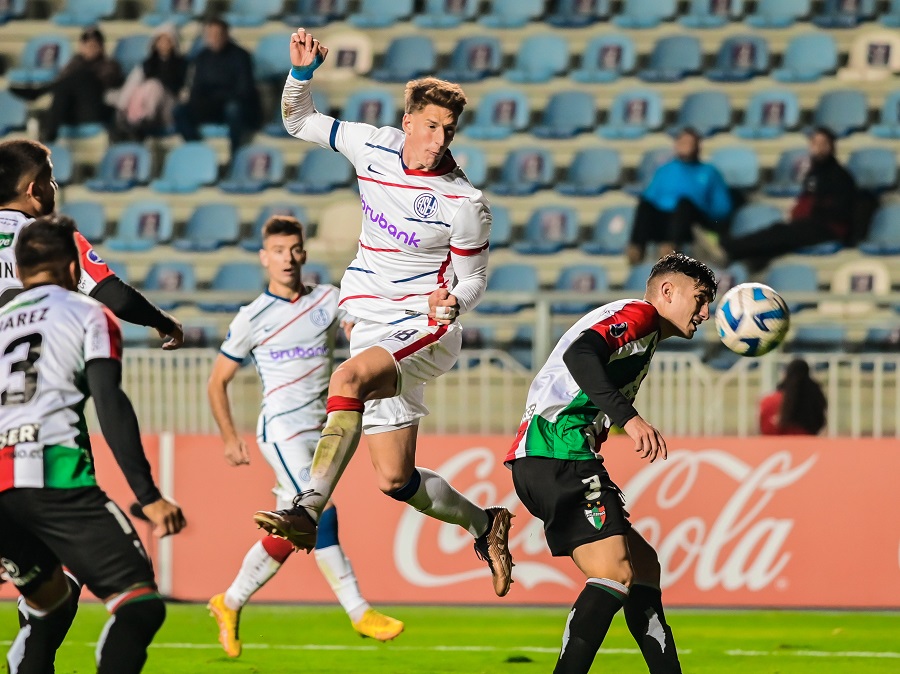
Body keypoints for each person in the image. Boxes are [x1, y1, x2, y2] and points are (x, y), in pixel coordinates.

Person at [251, 28, 514, 599]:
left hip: (425, 326)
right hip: (371, 322)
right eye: (430, 126)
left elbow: (472, 279)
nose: (439, 139)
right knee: (395, 479)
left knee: (345, 380)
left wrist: (454, 302)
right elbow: (300, 121)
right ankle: (485, 523)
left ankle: (305, 508)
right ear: (408, 120)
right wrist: (300, 75)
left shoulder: (465, 203)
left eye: (449, 130)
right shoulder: (371, 145)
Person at [507, 252, 717, 674]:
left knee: (642, 567)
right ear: (667, 291)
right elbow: (581, 355)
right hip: (558, 451)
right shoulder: (638, 314)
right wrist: (630, 419)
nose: (706, 313)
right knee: (615, 573)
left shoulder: (643, 331)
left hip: (547, 456)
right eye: (700, 298)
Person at [206, 215, 404, 657]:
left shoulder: (328, 300)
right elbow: (217, 380)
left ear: (304, 253)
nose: (287, 258)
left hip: (321, 432)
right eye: (278, 251)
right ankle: (359, 611)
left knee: (291, 528)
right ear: (264, 258)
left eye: (294, 249)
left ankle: (229, 601)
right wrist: (227, 437)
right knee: (322, 511)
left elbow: (357, 331)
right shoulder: (251, 318)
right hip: (280, 431)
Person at [0, 215, 187, 673]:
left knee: (50, 605)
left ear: (20, 271)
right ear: (71, 267)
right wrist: (149, 496)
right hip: (58, 480)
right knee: (139, 604)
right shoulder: (89, 313)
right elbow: (111, 404)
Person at [0, 139, 184, 348]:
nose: (55, 185)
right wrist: (163, 321)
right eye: (50, 179)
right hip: (32, 371)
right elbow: (118, 299)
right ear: (35, 190)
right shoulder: (53, 236)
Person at [721, 128, 857, 267]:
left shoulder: (841, 176)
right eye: (815, 143)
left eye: (823, 143)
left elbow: (839, 211)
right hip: (809, 225)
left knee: (781, 232)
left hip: (828, 229)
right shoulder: (814, 173)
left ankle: (729, 248)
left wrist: (807, 215)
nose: (819, 147)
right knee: (780, 235)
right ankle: (745, 258)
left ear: (831, 146)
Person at [628, 128, 732, 265]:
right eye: (682, 142)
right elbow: (650, 197)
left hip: (693, 221)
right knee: (645, 205)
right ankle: (636, 249)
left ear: (697, 146)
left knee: (684, 204)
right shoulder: (664, 170)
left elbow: (722, 207)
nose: (685, 146)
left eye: (689, 143)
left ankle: (670, 249)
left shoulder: (709, 172)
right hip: (665, 222)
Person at [173, 17, 260, 158]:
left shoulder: (241, 56)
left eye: (217, 34)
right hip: (210, 106)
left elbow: (245, 90)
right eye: (210, 35)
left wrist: (219, 98)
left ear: (226, 35)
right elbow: (197, 88)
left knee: (234, 109)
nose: (213, 38)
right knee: (180, 111)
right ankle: (199, 153)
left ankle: (236, 156)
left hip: (234, 104)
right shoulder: (202, 58)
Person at [42, 27, 123, 142]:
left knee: (83, 76)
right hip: (71, 111)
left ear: (101, 47)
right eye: (86, 44)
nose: (89, 48)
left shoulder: (110, 65)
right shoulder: (73, 64)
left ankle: (41, 91)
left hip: (95, 111)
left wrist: (82, 76)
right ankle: (48, 136)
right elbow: (62, 85)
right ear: (81, 46)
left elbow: (102, 85)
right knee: (63, 88)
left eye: (93, 45)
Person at [115, 22, 188, 140]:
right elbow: (131, 85)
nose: (164, 44)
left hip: (170, 108)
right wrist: (121, 107)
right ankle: (135, 121)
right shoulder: (147, 65)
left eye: (168, 40)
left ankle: (144, 120)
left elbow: (186, 90)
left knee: (154, 85)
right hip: (148, 105)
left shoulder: (182, 65)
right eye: (161, 40)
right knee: (145, 87)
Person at [759, 358, 827, 435]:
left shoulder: (769, 401)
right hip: (807, 441)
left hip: (776, 443)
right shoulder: (815, 397)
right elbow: (819, 422)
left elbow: (765, 429)